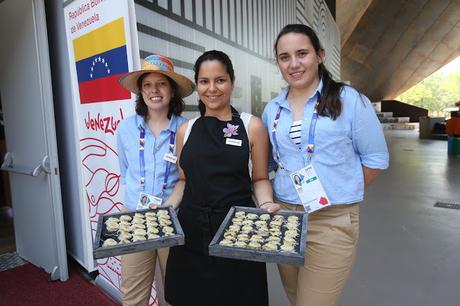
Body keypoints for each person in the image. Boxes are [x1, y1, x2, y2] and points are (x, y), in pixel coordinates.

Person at [262, 24, 389, 306]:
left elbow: (376, 159)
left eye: (302, 53)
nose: (293, 64)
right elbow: (271, 162)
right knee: (296, 298)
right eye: (284, 57)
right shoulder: (273, 109)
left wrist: (339, 190)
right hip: (285, 217)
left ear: (319, 55)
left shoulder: (349, 100)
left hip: (331, 220)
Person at [163, 50, 279, 306]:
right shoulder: (186, 130)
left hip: (238, 230)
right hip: (191, 230)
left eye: (220, 80)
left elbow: (259, 178)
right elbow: (184, 180)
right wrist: (165, 208)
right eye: (204, 81)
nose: (212, 88)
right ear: (197, 85)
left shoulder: (252, 126)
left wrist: (266, 204)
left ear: (232, 81)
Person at [116, 54, 194, 306]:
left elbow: (186, 178)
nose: (154, 91)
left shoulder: (186, 128)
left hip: (171, 218)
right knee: (133, 292)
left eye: (161, 84)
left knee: (174, 292)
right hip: (134, 218)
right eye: (147, 85)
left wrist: (167, 206)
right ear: (140, 91)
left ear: (172, 91)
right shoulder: (126, 128)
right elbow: (125, 171)